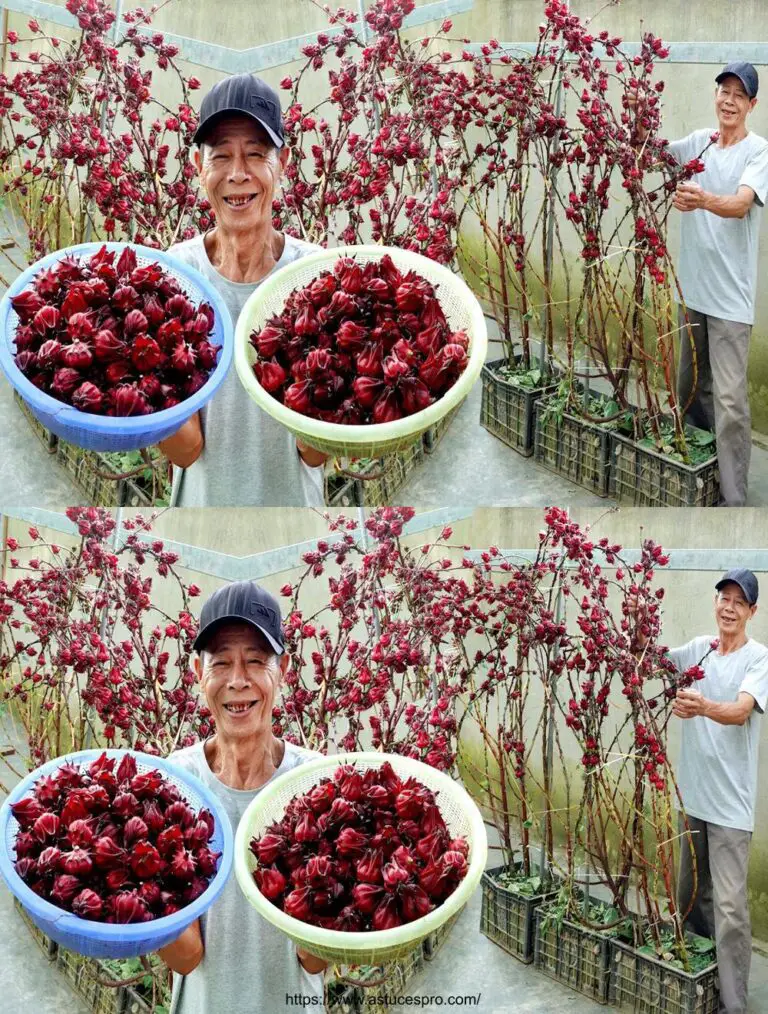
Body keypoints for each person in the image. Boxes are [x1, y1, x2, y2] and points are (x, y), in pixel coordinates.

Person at [158, 580, 327, 1014]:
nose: (237, 681)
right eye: (221, 663)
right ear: (198, 673)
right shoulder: (175, 782)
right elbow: (186, 956)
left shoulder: (313, 785)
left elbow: (312, 957)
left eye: (255, 661)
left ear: (283, 670)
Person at [159, 74, 327, 507]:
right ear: (200, 168)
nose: (237, 174)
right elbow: (186, 449)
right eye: (221, 156)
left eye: (255, 153)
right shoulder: (175, 275)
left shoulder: (314, 278)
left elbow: (312, 450)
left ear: (283, 164)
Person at [633, 62, 768, 506]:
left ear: (752, 104)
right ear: (716, 96)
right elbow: (652, 153)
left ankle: (732, 500)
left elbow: (741, 204)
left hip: (729, 301)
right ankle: (699, 476)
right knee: (690, 387)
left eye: (738, 94)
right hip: (690, 292)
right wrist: (636, 113)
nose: (728, 100)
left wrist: (703, 199)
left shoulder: (757, 152)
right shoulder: (700, 143)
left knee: (730, 403)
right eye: (723, 91)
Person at [634, 568, 768, 1014]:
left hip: (730, 809)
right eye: (723, 598)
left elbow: (741, 711)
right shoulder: (701, 650)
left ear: (752, 611)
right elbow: (653, 660)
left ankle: (733, 1005)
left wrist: (704, 705)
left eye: (739, 601)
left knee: (730, 910)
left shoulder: (757, 659)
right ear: (715, 603)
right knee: (691, 896)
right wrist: (636, 620)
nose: (729, 607)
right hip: (692, 800)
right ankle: (700, 984)